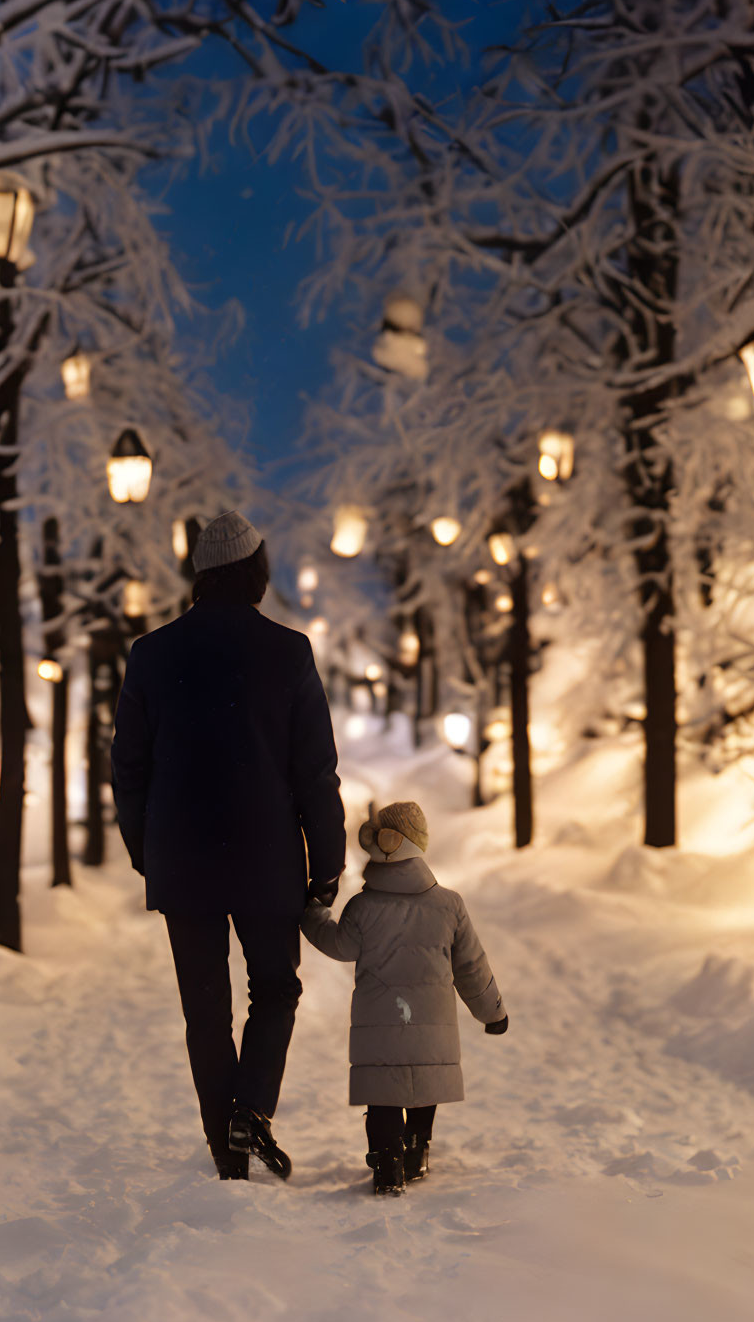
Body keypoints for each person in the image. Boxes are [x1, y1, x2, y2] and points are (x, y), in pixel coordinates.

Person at [110, 511, 346, 1182]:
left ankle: (227, 1146)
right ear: (256, 572)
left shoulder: (151, 655)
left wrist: (143, 849)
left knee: (205, 1007)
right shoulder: (288, 651)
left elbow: (128, 766)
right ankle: (252, 1107)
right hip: (267, 860)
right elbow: (315, 772)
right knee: (275, 988)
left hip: (183, 864)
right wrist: (325, 864)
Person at [301, 799, 508, 1195]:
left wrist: (312, 914)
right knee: (423, 1081)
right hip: (430, 1020)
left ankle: (386, 1158)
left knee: (383, 1090)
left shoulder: (363, 907)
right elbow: (471, 966)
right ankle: (417, 1149)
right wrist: (492, 1012)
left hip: (380, 1020)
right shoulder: (449, 905)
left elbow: (339, 945)